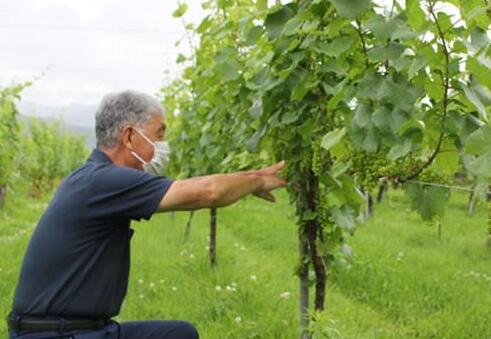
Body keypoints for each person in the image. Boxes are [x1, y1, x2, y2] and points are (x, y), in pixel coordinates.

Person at [7, 90, 286, 339]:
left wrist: (250, 177)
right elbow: (207, 192)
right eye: (159, 134)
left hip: (83, 328)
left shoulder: (96, 178)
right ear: (129, 136)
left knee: (178, 334)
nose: (163, 145)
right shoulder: (103, 181)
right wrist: (257, 181)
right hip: (58, 334)